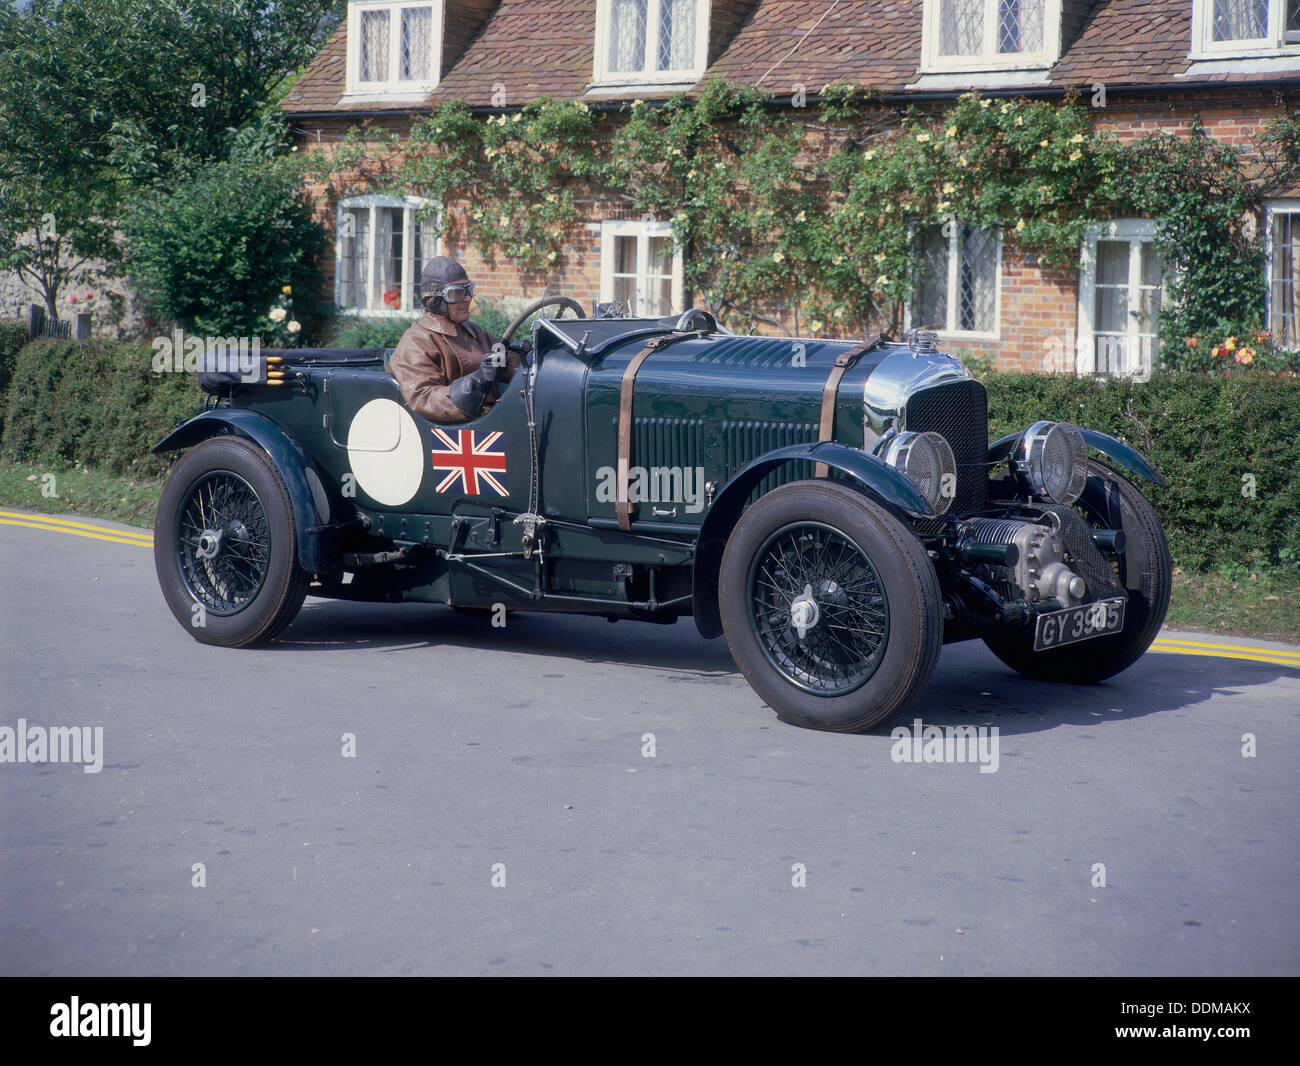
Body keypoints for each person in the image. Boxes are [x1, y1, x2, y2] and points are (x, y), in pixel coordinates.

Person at [389, 256, 520, 422]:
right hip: (464, 430)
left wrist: (524, 355)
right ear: (436, 300)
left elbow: (512, 362)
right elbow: (424, 398)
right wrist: (476, 383)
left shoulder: (473, 332)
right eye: (456, 293)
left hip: (495, 418)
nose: (467, 298)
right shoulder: (416, 341)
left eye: (469, 290)